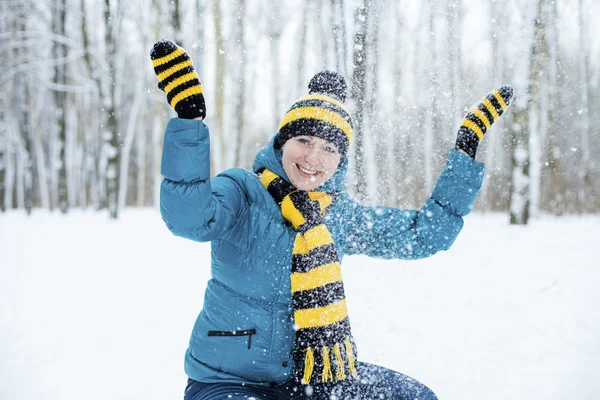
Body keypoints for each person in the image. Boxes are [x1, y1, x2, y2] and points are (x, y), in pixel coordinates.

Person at [150, 40, 514, 400]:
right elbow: (189, 218)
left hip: (311, 377)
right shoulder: (243, 192)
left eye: (329, 148)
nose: (314, 157)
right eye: (304, 140)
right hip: (228, 380)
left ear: (340, 160)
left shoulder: (338, 215)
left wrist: (465, 150)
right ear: (282, 143)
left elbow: (425, 235)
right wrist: (189, 121)